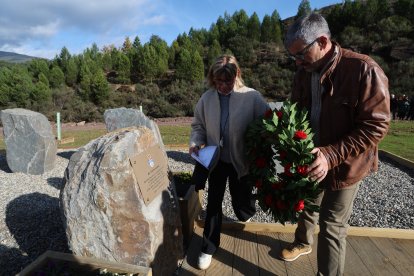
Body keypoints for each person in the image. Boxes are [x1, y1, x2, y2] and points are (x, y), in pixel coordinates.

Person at [281, 13, 390, 276]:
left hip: (348, 165)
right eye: (292, 57)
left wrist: (331, 155)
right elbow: (296, 111)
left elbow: (377, 125)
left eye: (300, 54)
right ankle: (303, 242)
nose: (296, 62)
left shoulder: (363, 69)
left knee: (332, 224)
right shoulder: (303, 72)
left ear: (322, 41)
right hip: (311, 157)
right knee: (307, 204)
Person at [189, 54, 269, 270]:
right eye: (219, 81)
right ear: (212, 79)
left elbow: (269, 122)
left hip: (241, 160)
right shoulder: (206, 98)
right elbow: (198, 126)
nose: (223, 86)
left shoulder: (251, 97)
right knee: (213, 204)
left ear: (237, 75)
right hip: (216, 160)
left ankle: (246, 211)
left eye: (228, 81)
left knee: (241, 200)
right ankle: (208, 247)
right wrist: (196, 142)